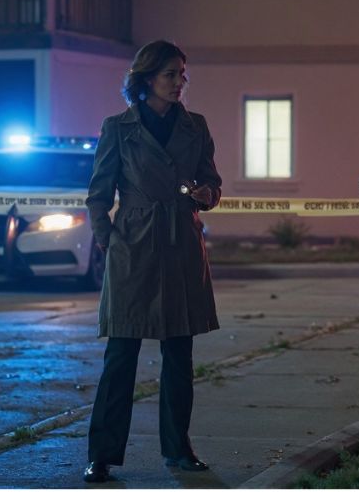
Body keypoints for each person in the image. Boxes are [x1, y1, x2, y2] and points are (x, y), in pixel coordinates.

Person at [82, 40, 222, 483]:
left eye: (182, 74)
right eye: (170, 75)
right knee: (121, 354)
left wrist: (207, 194)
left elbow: (213, 181)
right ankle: (102, 454)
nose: (180, 82)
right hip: (135, 246)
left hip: (182, 241)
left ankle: (178, 449)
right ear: (145, 80)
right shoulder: (117, 128)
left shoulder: (195, 126)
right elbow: (98, 194)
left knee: (179, 353)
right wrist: (109, 242)